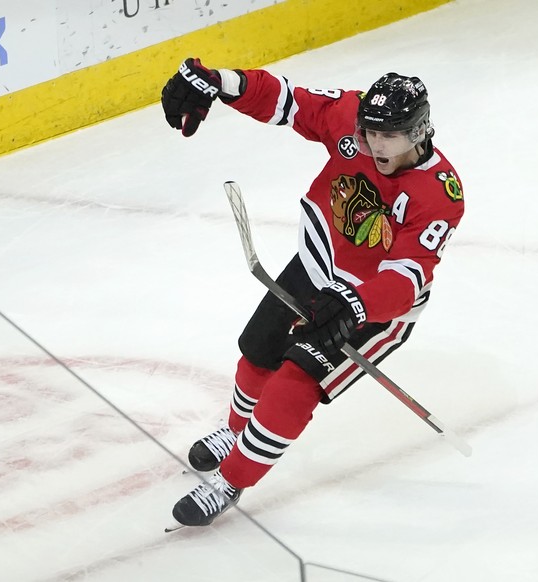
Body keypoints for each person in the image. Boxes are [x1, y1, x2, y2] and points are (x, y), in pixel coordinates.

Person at [160, 57, 465, 527]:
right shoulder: (349, 120)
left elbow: (407, 277)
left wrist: (357, 303)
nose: (375, 144)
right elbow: (285, 100)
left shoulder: (438, 193)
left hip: (375, 306)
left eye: (390, 136)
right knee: (258, 352)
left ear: (419, 132)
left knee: (292, 383)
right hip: (319, 265)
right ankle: (236, 430)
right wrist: (219, 82)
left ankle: (231, 480)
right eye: (370, 133)